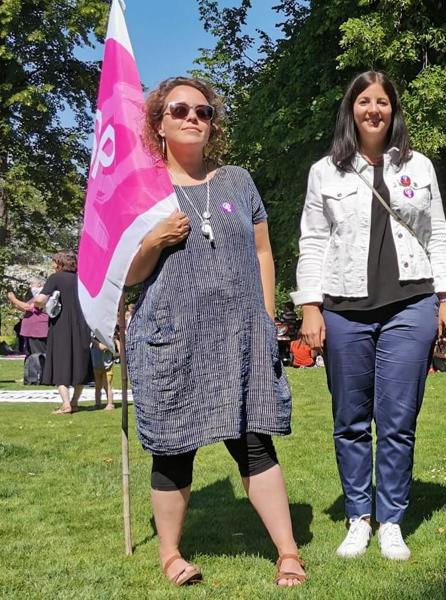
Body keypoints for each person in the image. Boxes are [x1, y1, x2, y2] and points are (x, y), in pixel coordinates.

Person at [125, 76, 304, 586]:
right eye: (180, 110)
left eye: (203, 112)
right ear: (158, 123)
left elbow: (264, 251)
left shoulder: (237, 180)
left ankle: (288, 551)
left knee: (253, 441)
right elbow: (129, 277)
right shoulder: (144, 192)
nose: (192, 118)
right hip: (174, 339)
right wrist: (154, 240)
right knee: (174, 447)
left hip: (239, 337)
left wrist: (266, 318)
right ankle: (170, 555)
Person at [294, 70, 446, 561]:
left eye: (382, 102)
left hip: (411, 305)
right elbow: (312, 241)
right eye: (364, 101)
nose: (373, 109)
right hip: (344, 309)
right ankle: (357, 517)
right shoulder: (326, 171)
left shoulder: (420, 167)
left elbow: (438, 236)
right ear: (351, 109)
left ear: (393, 110)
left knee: (397, 419)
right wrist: (309, 305)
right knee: (349, 419)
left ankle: (390, 519)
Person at [33, 252, 92, 413]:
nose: (53, 265)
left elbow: (41, 300)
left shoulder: (56, 278)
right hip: (82, 324)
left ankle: (66, 403)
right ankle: (74, 402)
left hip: (61, 325)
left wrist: (36, 302)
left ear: (60, 263)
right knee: (81, 362)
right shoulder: (82, 279)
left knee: (60, 361)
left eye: (54, 262)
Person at [7, 277, 48, 356]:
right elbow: (25, 309)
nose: (30, 286)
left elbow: (28, 307)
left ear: (39, 284)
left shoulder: (42, 296)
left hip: (38, 331)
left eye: (32, 284)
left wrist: (14, 299)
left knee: (38, 355)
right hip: (30, 331)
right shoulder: (34, 296)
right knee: (30, 355)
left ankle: (40, 368)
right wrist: (13, 302)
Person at [90, 334, 115, 410]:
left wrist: (93, 341)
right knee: (97, 387)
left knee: (107, 386)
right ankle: (97, 403)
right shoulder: (94, 340)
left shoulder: (108, 339)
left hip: (106, 367)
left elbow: (102, 347)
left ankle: (110, 404)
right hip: (96, 366)